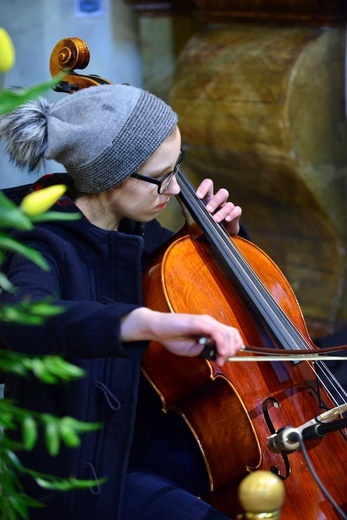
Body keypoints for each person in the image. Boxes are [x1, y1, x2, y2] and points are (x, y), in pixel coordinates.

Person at [0, 84, 246, 520]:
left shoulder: (139, 230)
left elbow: (201, 294)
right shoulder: (40, 240)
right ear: (112, 175)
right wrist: (140, 323)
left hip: (162, 450)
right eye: (161, 176)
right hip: (87, 479)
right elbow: (22, 319)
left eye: (178, 167)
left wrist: (223, 244)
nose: (174, 189)